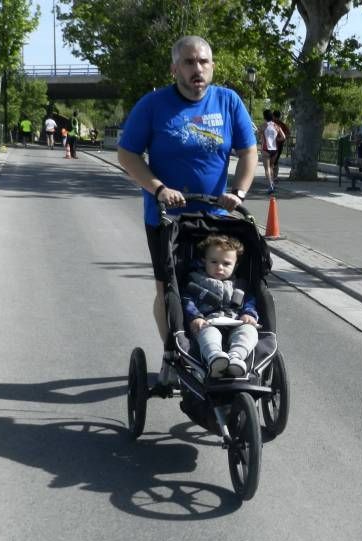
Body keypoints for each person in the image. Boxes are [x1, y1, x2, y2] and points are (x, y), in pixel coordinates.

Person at [117, 34, 257, 386]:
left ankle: (221, 353)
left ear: (212, 66)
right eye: (190, 62)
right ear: (174, 68)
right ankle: (172, 353)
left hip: (214, 218)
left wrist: (238, 192)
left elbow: (249, 152)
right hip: (167, 217)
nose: (198, 69)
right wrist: (159, 188)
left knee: (219, 283)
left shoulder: (228, 101)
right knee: (169, 289)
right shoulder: (153, 105)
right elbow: (127, 154)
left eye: (204, 62)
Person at [182, 234, 259, 377]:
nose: (220, 267)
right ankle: (215, 358)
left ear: (235, 266)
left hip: (236, 322)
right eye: (214, 262)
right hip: (208, 321)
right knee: (208, 334)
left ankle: (236, 358)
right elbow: (188, 300)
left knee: (249, 331)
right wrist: (195, 317)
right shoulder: (196, 281)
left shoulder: (239, 284)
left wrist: (248, 313)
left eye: (226, 264)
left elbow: (249, 300)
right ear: (204, 261)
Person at [260, 109, 285, 194]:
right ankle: (272, 183)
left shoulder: (263, 126)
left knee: (267, 169)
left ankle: (270, 185)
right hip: (275, 149)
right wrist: (276, 139)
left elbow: (258, 135)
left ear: (264, 117)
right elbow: (283, 137)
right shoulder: (277, 126)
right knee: (271, 167)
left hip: (266, 149)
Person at [272, 109, 290, 181]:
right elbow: (288, 134)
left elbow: (288, 134)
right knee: (274, 160)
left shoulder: (279, 125)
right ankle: (273, 176)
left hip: (277, 145)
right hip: (277, 145)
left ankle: (274, 176)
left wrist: (280, 139)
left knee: (274, 160)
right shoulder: (281, 125)